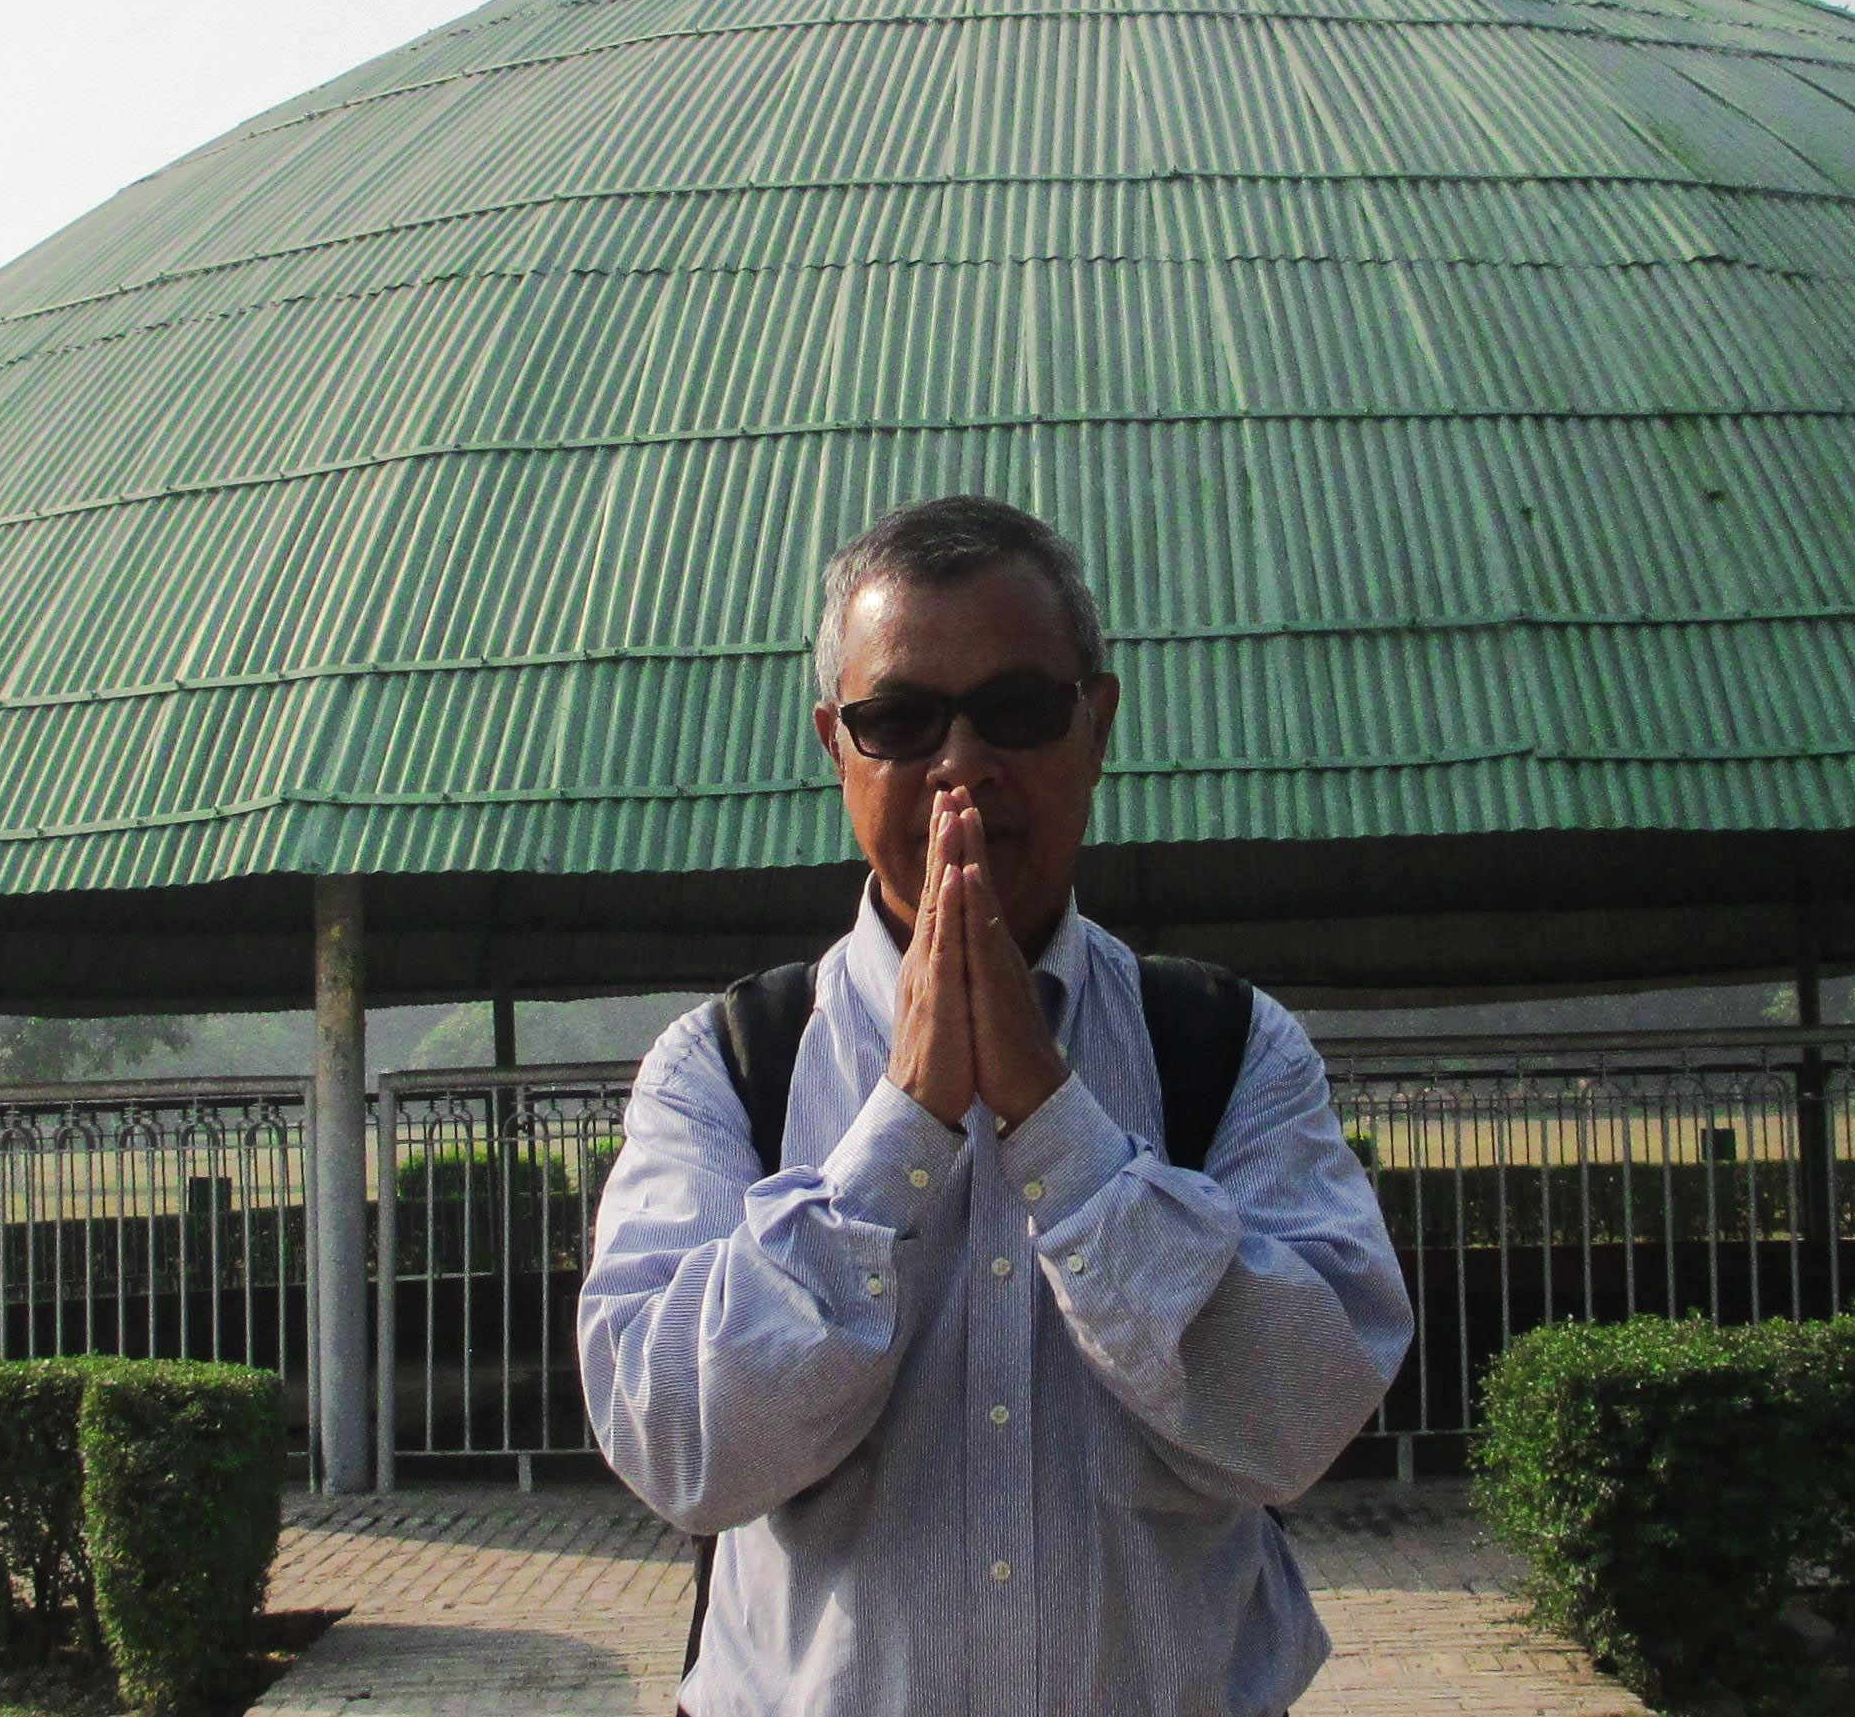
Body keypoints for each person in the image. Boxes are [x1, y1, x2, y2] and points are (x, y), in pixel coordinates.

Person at [578, 495, 1412, 1717]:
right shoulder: (728, 1067)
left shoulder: (1224, 1050)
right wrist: (902, 1128)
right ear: (835, 746)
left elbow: (1296, 1414)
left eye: (1015, 712)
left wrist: (1054, 1123)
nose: (959, 764)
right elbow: (675, 1444)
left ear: (1097, 724)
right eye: (900, 720)